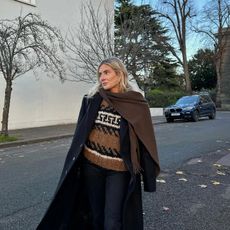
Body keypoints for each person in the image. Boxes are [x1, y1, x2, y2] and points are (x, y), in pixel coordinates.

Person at [37, 57, 160, 230]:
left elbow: (146, 139)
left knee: (112, 221)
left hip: (119, 170)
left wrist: (148, 176)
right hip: (92, 167)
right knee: (95, 216)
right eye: (100, 73)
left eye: (107, 72)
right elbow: (80, 133)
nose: (102, 77)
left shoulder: (136, 103)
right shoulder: (92, 99)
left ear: (119, 74)